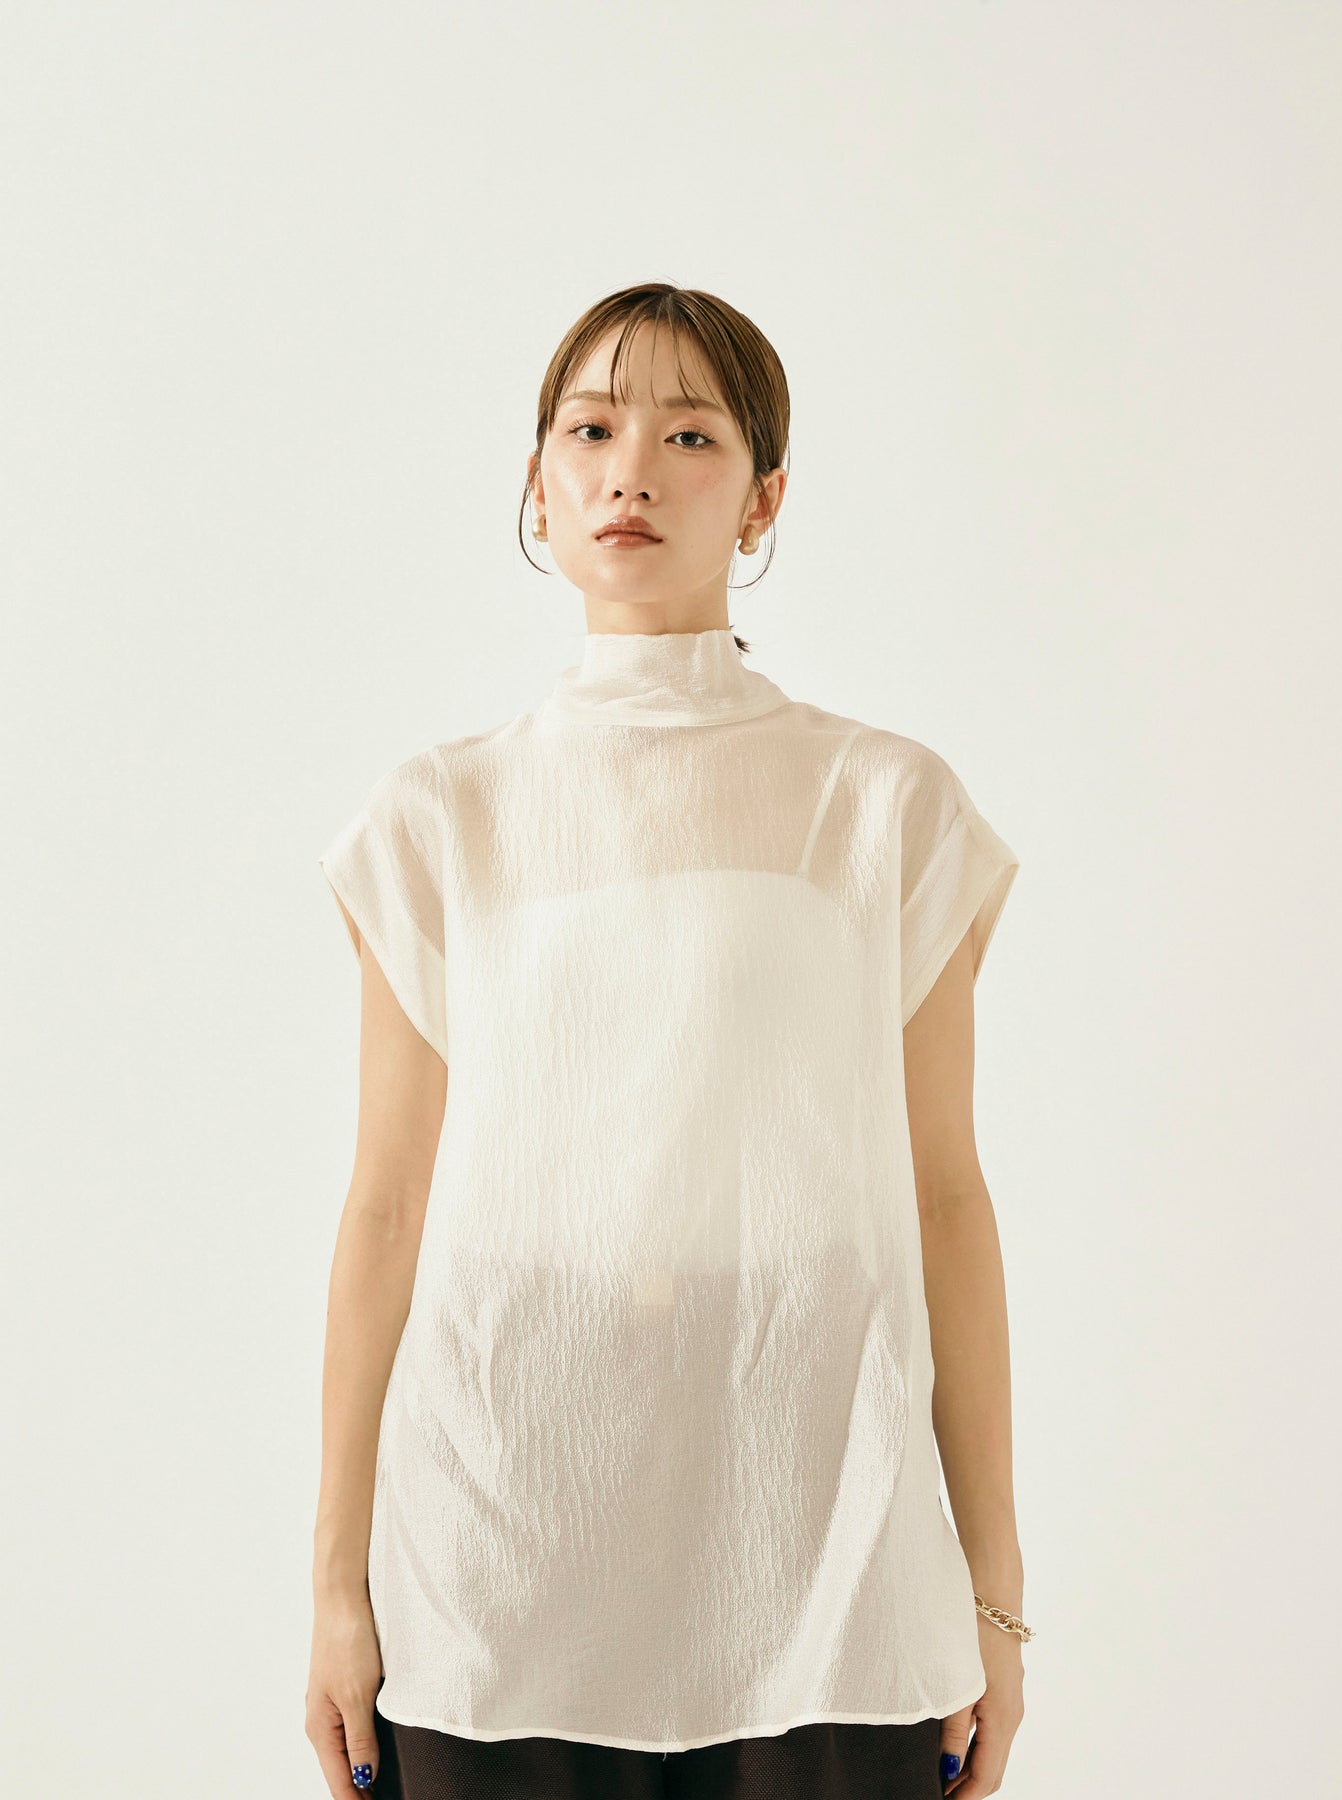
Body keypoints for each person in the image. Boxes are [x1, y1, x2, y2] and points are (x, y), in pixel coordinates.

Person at [306, 283, 1030, 1800]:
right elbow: (386, 1207)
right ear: (538, 485)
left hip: (825, 1555)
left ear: (764, 498)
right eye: (591, 429)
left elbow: (947, 1196)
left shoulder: (882, 808)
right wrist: (335, 1590)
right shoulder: (441, 818)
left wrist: (993, 1591)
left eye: (689, 434)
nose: (630, 468)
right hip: (498, 1558)